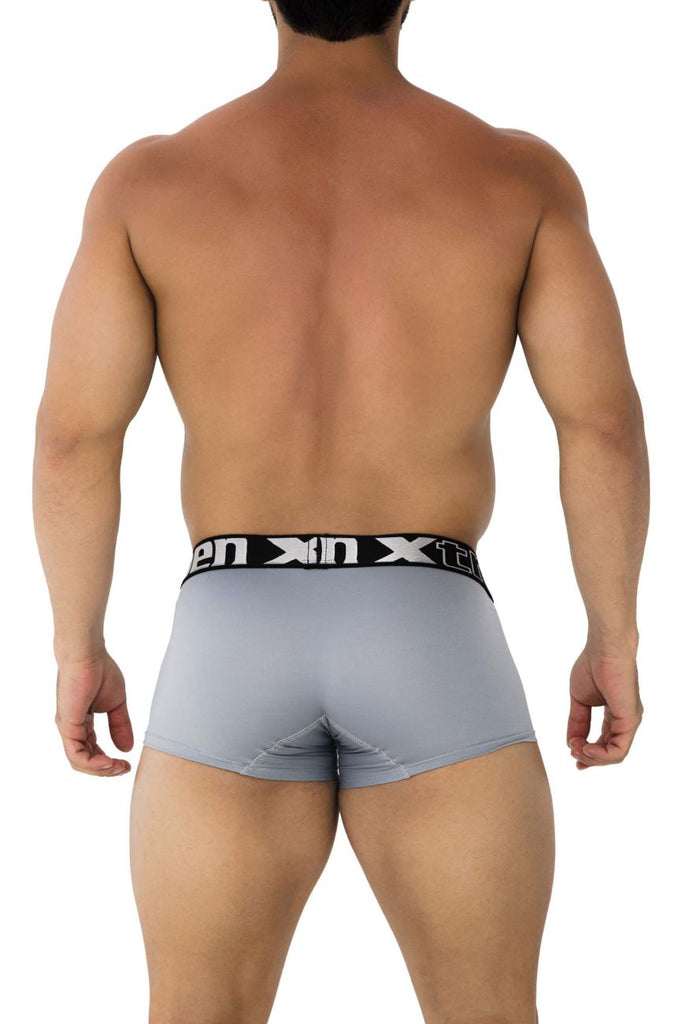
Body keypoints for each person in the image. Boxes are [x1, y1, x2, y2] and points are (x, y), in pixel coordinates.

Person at [32, 1, 649, 1021]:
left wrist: (76, 647)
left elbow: (74, 438)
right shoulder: (516, 177)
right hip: (428, 620)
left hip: (233, 619)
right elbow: (602, 427)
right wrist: (612, 636)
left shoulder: (152, 183)